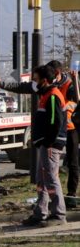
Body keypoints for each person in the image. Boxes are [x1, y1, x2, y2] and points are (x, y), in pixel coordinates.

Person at [21, 65, 67, 227]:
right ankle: (40, 212)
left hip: (51, 145)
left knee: (50, 179)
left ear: (44, 80)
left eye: (35, 79)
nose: (34, 82)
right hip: (46, 144)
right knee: (42, 180)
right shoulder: (46, 95)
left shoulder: (53, 96)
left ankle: (58, 214)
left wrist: (47, 142)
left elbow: (56, 122)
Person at [48, 60, 79, 205]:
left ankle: (71, 193)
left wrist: (63, 108)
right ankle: (55, 194)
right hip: (56, 128)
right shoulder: (50, 85)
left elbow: (75, 102)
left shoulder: (69, 84)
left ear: (58, 73)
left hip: (71, 127)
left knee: (73, 161)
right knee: (52, 163)